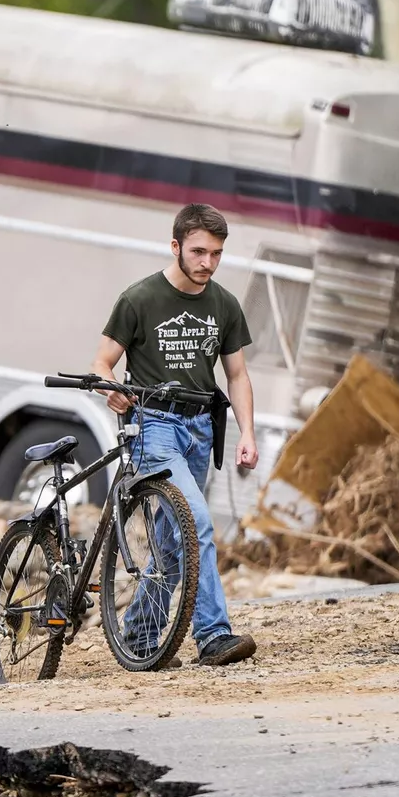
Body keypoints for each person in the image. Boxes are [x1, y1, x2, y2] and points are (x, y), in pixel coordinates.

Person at [89, 203, 259, 666]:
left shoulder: (223, 303)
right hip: (154, 425)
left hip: (201, 427)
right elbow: (102, 362)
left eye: (217, 254)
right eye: (199, 251)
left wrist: (247, 432)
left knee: (170, 542)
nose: (208, 263)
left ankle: (141, 639)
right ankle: (213, 635)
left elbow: (238, 375)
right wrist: (112, 389)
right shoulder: (139, 299)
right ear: (176, 246)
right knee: (196, 521)